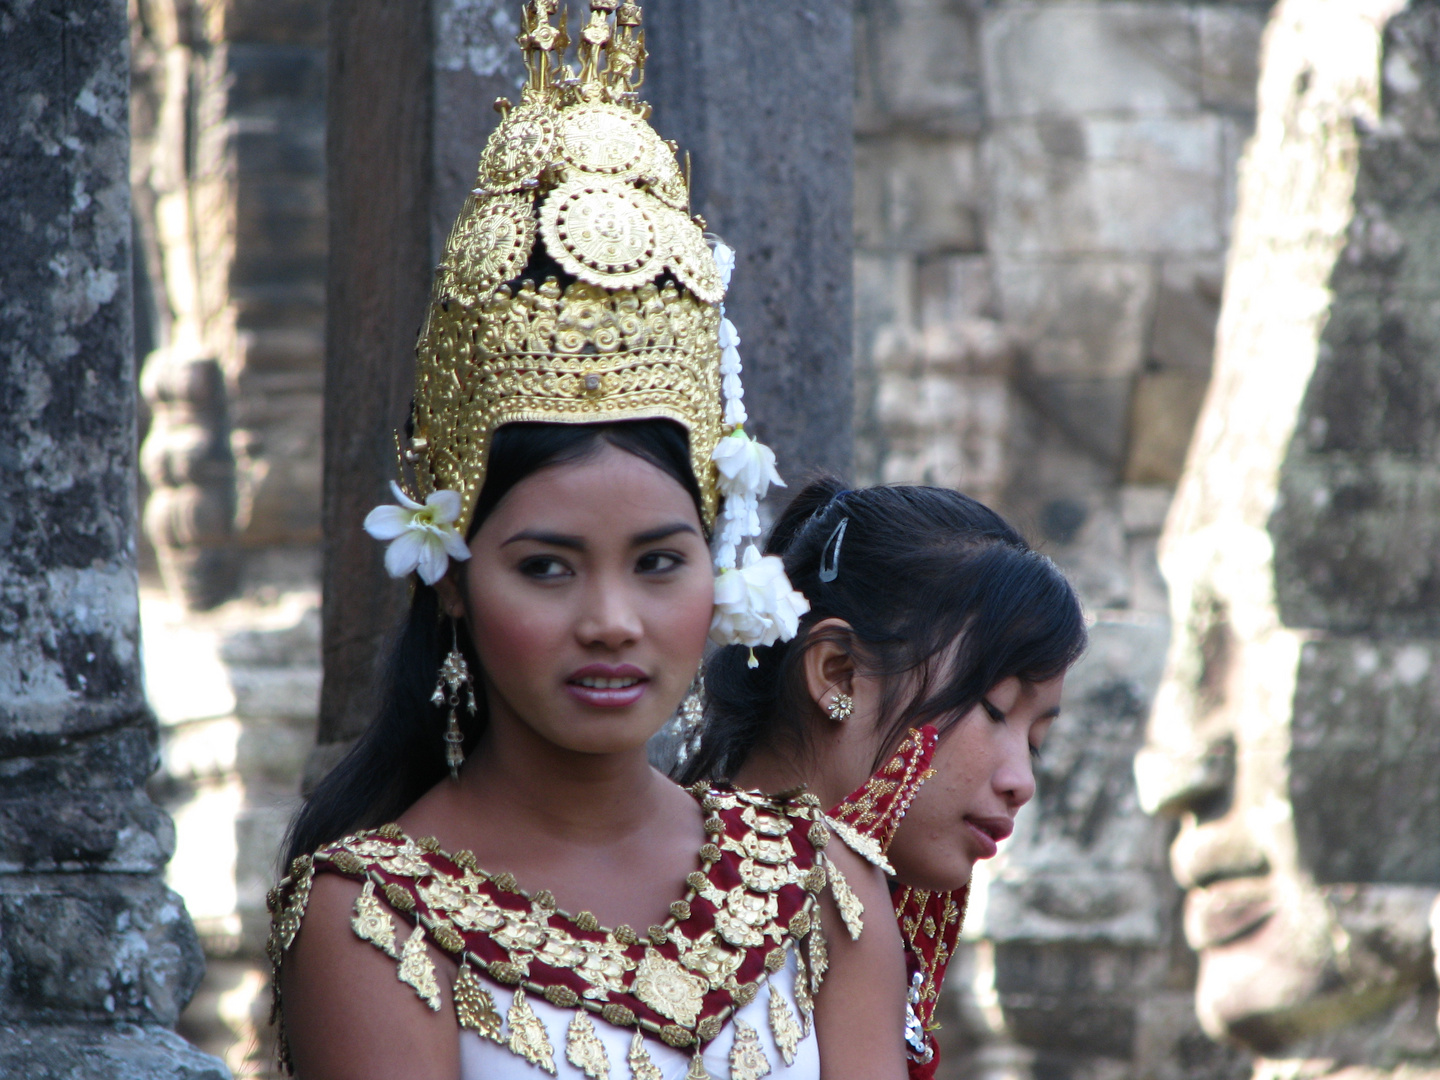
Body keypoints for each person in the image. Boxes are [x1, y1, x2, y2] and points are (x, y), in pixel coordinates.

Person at [266, 4, 907, 1078]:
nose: (612, 622)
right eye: (547, 567)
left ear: (721, 567)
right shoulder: (374, 919)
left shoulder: (824, 890)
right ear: (457, 580)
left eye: (661, 562)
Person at [680, 477, 1088, 1076]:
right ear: (840, 674)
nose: (1021, 782)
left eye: (1036, 743)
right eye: (996, 709)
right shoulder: (836, 893)